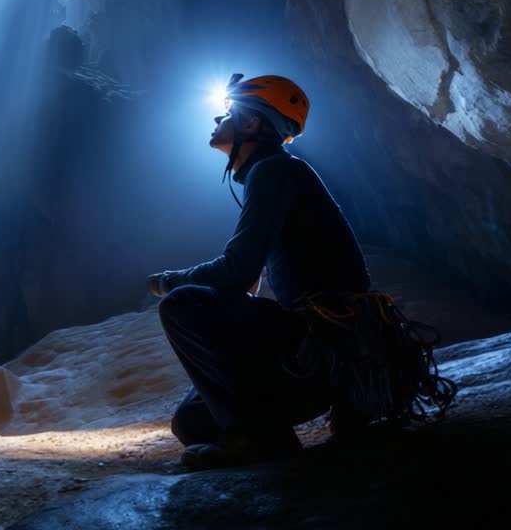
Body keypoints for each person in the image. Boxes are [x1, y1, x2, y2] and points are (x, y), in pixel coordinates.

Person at [146, 74, 454, 471]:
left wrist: (168, 281)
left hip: (323, 348)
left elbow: (236, 271)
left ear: (252, 124)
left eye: (228, 112)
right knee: (192, 422)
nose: (217, 119)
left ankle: (261, 441)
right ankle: (262, 429)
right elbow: (247, 274)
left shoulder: (273, 171)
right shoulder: (278, 172)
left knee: (183, 304)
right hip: (324, 353)